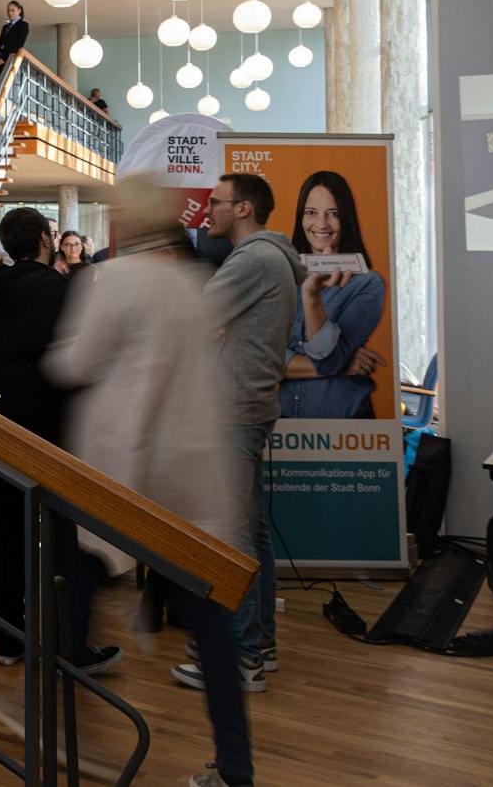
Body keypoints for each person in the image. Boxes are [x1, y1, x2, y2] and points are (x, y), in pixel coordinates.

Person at [44, 176, 253, 787]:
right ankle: (235, 767)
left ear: (122, 222)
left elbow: (70, 363)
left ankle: (66, 736)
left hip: (125, 477)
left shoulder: (113, 280)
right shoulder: (194, 286)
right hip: (190, 478)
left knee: (76, 598)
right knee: (212, 634)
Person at [0, 206, 118, 673]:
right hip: (55, 438)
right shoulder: (65, 293)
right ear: (47, 243)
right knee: (65, 541)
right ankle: (70, 643)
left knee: (4, 541)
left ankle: (7, 640)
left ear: (6, 247)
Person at [176, 173, 304, 692]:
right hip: (249, 405)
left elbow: (192, 320)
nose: (208, 209)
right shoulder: (272, 259)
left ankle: (241, 656)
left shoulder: (252, 260)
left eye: (217, 202)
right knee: (249, 535)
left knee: (229, 538)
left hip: (231, 409)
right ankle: (260, 644)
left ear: (244, 208)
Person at [282, 170, 387, 419]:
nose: (321, 224)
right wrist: (342, 365)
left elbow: (327, 360)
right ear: (301, 217)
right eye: (311, 212)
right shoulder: (281, 276)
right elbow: (259, 361)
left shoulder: (368, 283)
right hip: (284, 428)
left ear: (346, 219)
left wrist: (311, 297)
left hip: (346, 428)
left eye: (333, 214)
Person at [0, 0, 30, 68]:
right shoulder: (5, 27)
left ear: (19, 10)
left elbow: (18, 45)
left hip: (11, 60)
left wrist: (5, 59)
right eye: (8, 11)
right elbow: (0, 44)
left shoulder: (23, 25)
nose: (10, 13)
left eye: (12, 10)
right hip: (1, 61)